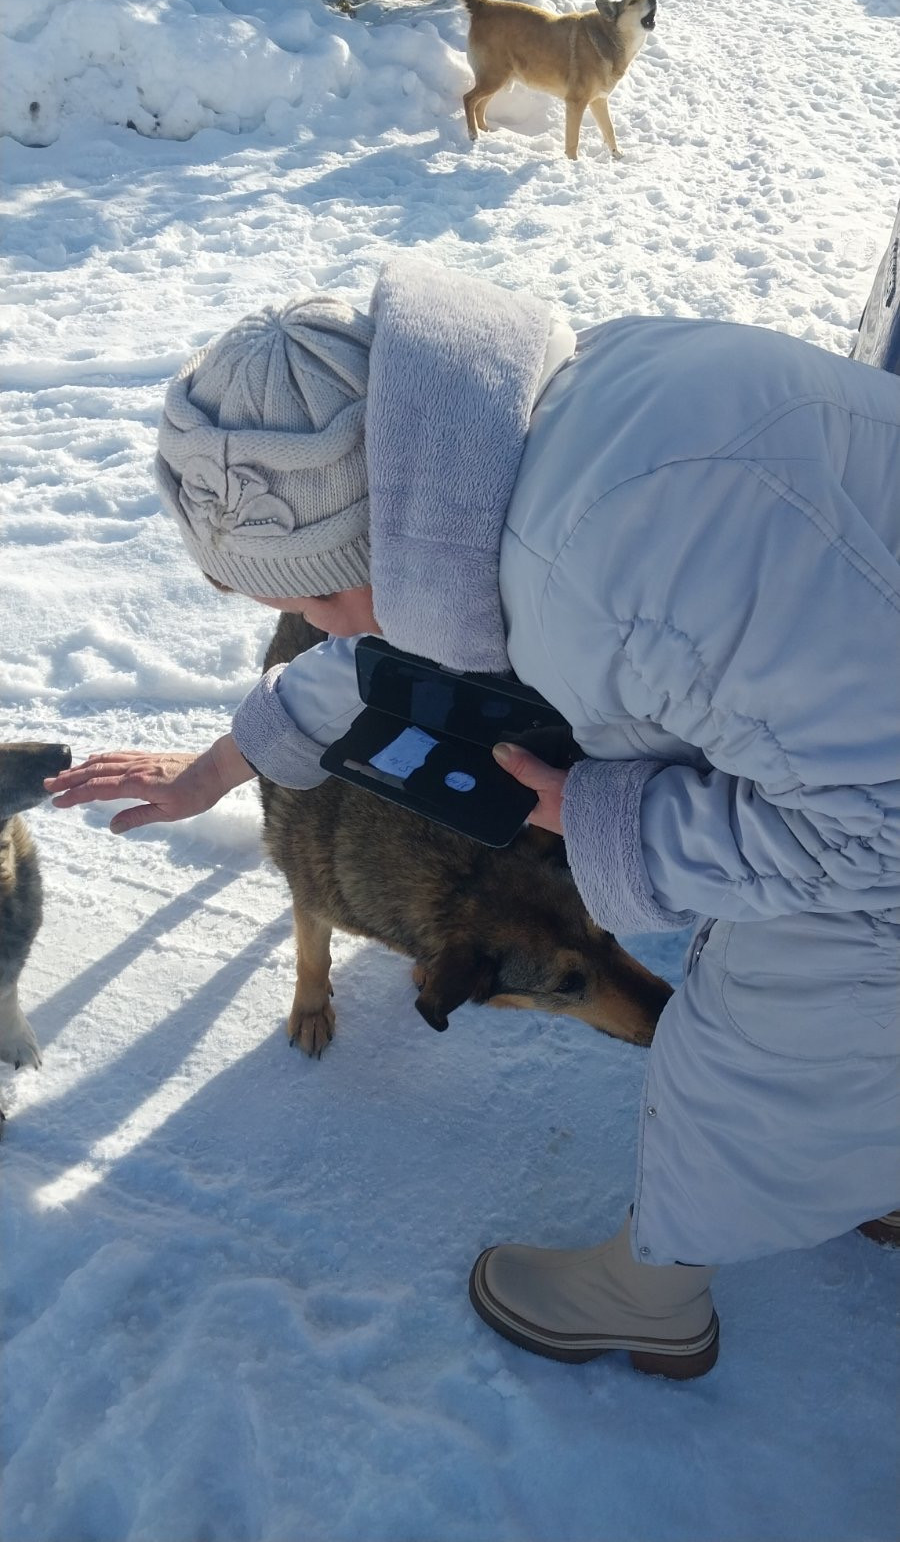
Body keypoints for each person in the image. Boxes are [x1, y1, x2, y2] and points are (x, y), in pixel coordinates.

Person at [46, 256, 900, 1380]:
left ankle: (653, 1292)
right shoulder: (551, 421)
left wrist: (623, 823)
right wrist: (218, 771)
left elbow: (879, 838)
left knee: (754, 1031)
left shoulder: (594, 587)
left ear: (361, 542)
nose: (308, 624)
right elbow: (373, 662)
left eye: (299, 595)